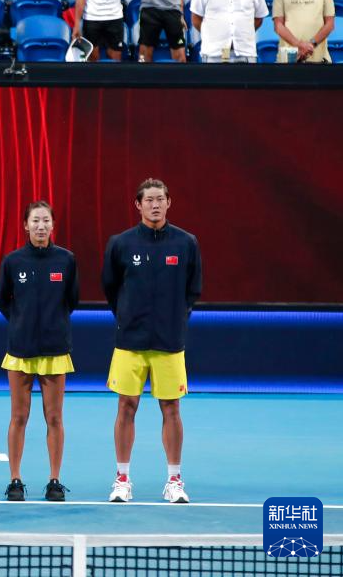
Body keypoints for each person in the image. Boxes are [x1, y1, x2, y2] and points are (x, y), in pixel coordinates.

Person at [102, 179, 201, 504]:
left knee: (171, 408)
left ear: (169, 202)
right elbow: (111, 287)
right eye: (149, 200)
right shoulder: (121, 244)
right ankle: (122, 479)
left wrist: (173, 319)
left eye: (160, 199)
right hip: (130, 342)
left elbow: (192, 290)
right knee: (126, 406)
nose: (155, 205)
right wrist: (127, 316)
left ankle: (174, 480)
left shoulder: (186, 243)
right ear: (138, 205)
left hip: (169, 343)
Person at [0, 201, 79, 503]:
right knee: (19, 417)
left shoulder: (66, 260)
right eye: (35, 221)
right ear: (26, 226)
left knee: (54, 418)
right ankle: (15, 480)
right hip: (20, 350)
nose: (41, 226)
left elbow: (72, 300)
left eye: (45, 221)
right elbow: (2, 301)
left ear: (53, 225)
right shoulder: (12, 261)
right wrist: (22, 323)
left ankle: (54, 481)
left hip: (55, 350)